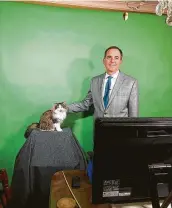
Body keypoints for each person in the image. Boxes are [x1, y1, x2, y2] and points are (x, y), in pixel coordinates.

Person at [67, 46, 139, 118]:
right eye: (109, 57)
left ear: (120, 61)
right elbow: (85, 104)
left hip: (120, 128)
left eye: (116, 58)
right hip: (99, 127)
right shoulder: (94, 81)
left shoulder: (131, 83)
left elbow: (133, 115)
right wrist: (62, 108)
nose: (112, 60)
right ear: (104, 60)